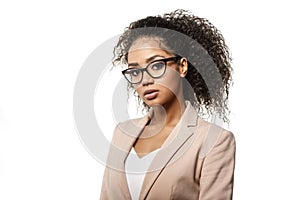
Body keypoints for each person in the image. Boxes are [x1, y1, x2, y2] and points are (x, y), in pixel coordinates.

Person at [100, 9, 236, 200]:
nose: (145, 80)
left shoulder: (214, 141)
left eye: (156, 66)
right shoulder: (122, 133)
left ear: (182, 66)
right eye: (135, 71)